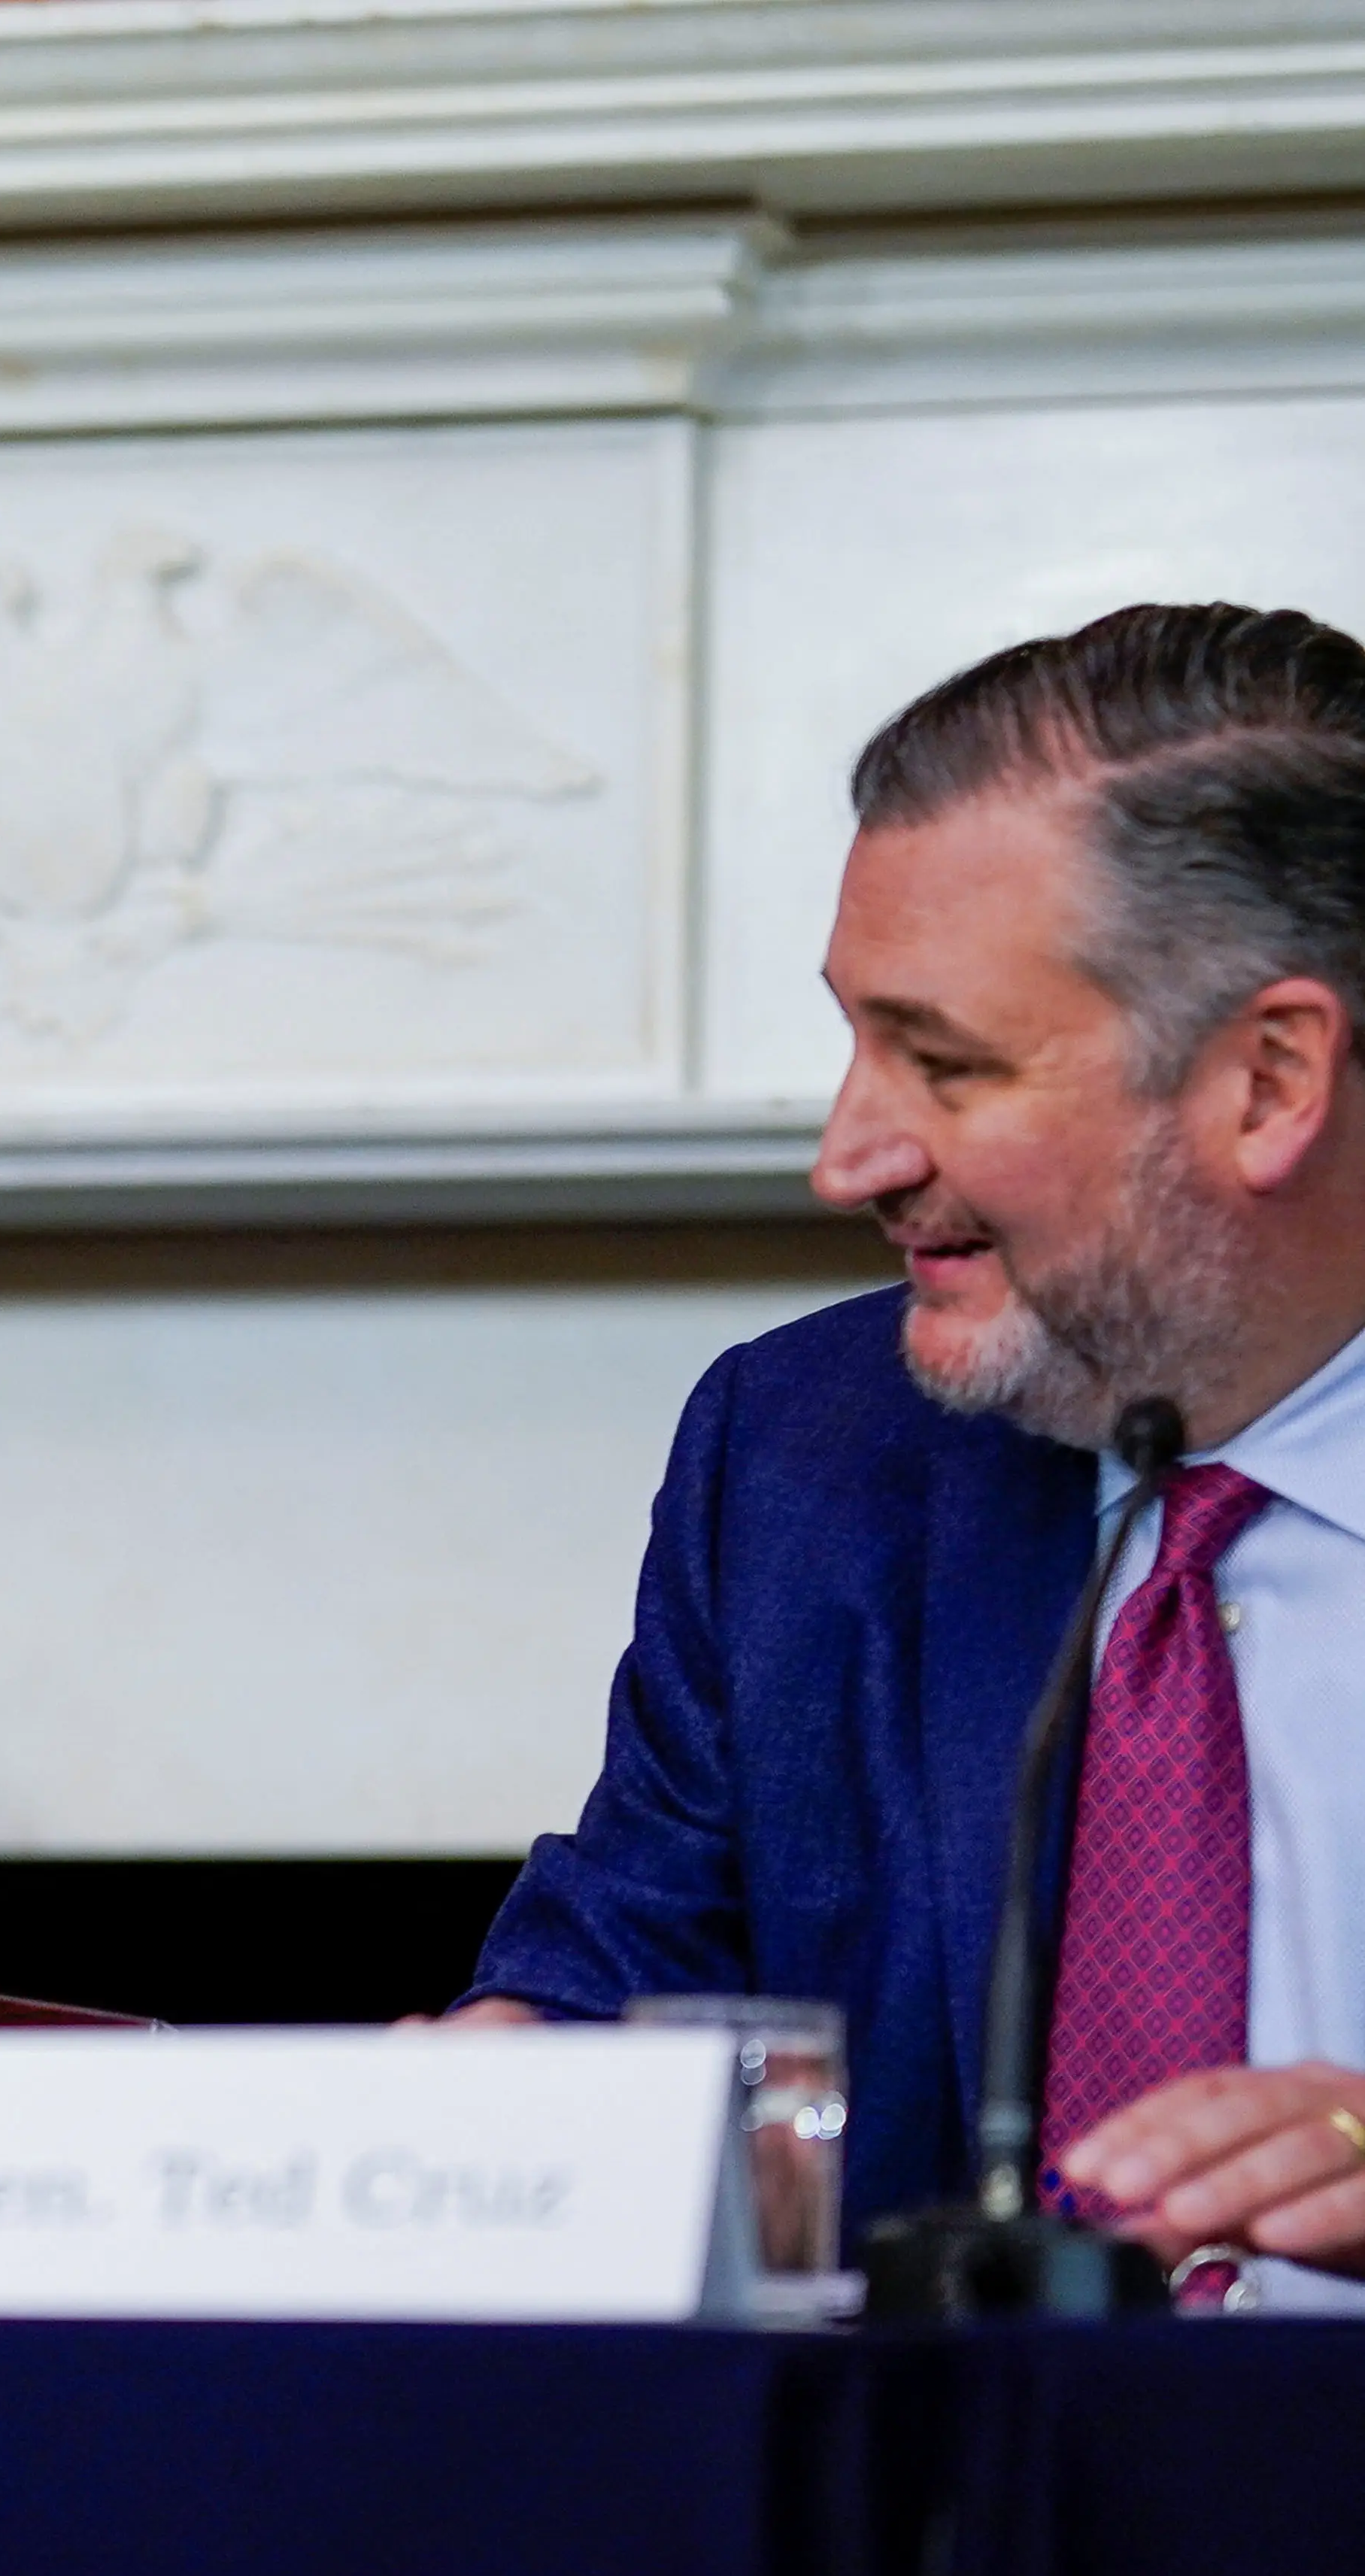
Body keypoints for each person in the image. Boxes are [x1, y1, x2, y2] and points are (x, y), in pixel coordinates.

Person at [461, 603, 1365, 2308]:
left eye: (943, 1063)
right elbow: (619, 1988)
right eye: (855, 1043)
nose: (847, 1155)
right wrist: (491, 2113)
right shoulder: (808, 1457)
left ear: (1267, 1080)